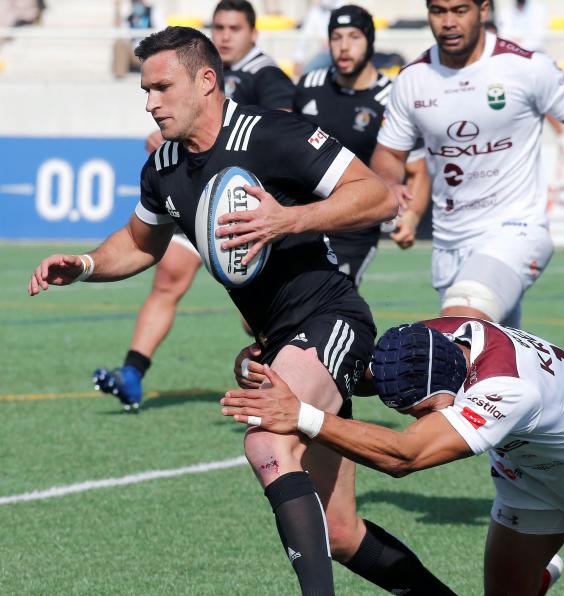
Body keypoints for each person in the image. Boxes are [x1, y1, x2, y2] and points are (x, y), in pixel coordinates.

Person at [29, 26, 454, 595]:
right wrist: (82, 264)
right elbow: (139, 243)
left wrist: (289, 219)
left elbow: (375, 194)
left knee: (267, 441)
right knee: (342, 532)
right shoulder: (166, 167)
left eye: (162, 87)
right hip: (278, 342)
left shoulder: (272, 134)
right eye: (145, 91)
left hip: (331, 319)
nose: (151, 103)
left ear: (206, 81)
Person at [222, 317, 564, 593]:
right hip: (528, 473)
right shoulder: (431, 340)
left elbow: (404, 456)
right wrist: (274, 363)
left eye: (426, 411)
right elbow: (361, 372)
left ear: (458, 386)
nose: (422, 420)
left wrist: (299, 413)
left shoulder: (505, 389)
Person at [94, 0, 296, 412]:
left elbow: (279, 129)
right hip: (194, 193)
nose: (224, 35)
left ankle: (299, 371)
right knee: (167, 279)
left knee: (259, 308)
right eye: (218, 26)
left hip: (242, 205)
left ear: (253, 34)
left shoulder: (265, 74)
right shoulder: (191, 72)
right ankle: (132, 372)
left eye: (234, 28)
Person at [371, 0, 564, 330]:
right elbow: (389, 154)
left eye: (459, 10)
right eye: (438, 11)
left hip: (515, 230)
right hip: (449, 244)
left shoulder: (525, 67)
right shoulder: (412, 80)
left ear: (483, 10)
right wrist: (389, 183)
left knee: (459, 329)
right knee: (489, 366)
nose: (447, 22)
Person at [293, 4, 430, 287]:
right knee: (262, 318)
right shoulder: (310, 84)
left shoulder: (391, 97)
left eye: (354, 37)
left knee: (321, 299)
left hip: (353, 228)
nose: (344, 47)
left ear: (369, 42)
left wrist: (412, 217)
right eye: (336, 37)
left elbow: (418, 171)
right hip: (304, 218)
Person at [112, 0, 164, 79]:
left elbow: (162, 31)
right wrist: (117, 8)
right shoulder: (130, 18)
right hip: (135, 54)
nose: (136, 4)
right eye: (134, 2)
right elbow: (119, 30)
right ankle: (119, 78)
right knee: (119, 43)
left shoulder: (153, 12)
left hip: (150, 52)